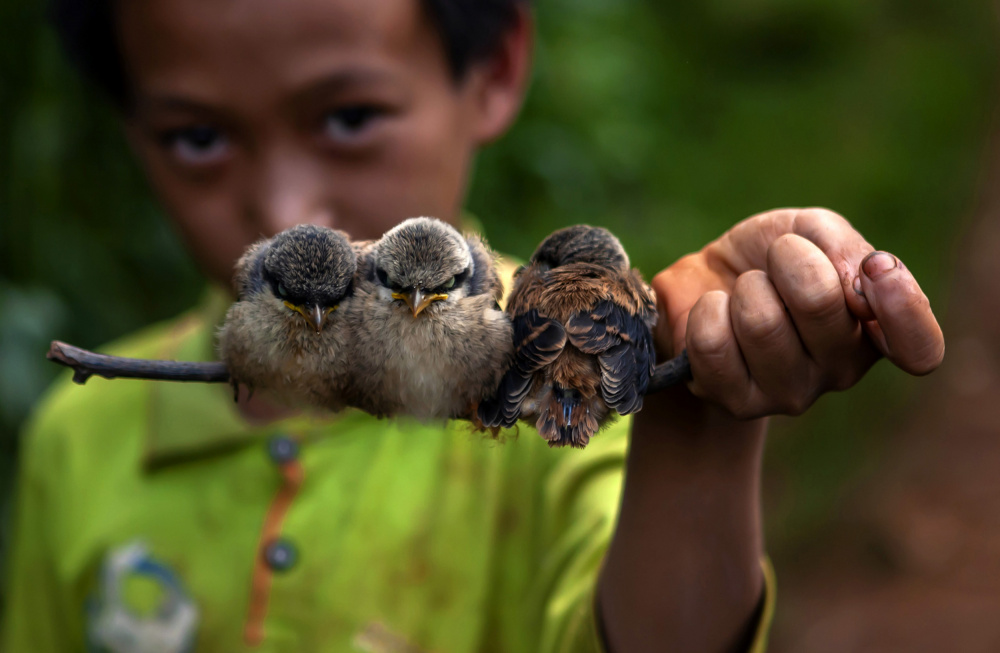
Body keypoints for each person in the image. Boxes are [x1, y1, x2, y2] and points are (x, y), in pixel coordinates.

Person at [0, 0, 945, 651]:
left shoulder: (554, 378)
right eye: (198, 137)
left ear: (493, 70)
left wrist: (692, 402)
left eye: (348, 116)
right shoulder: (80, 442)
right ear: (130, 128)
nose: (287, 205)